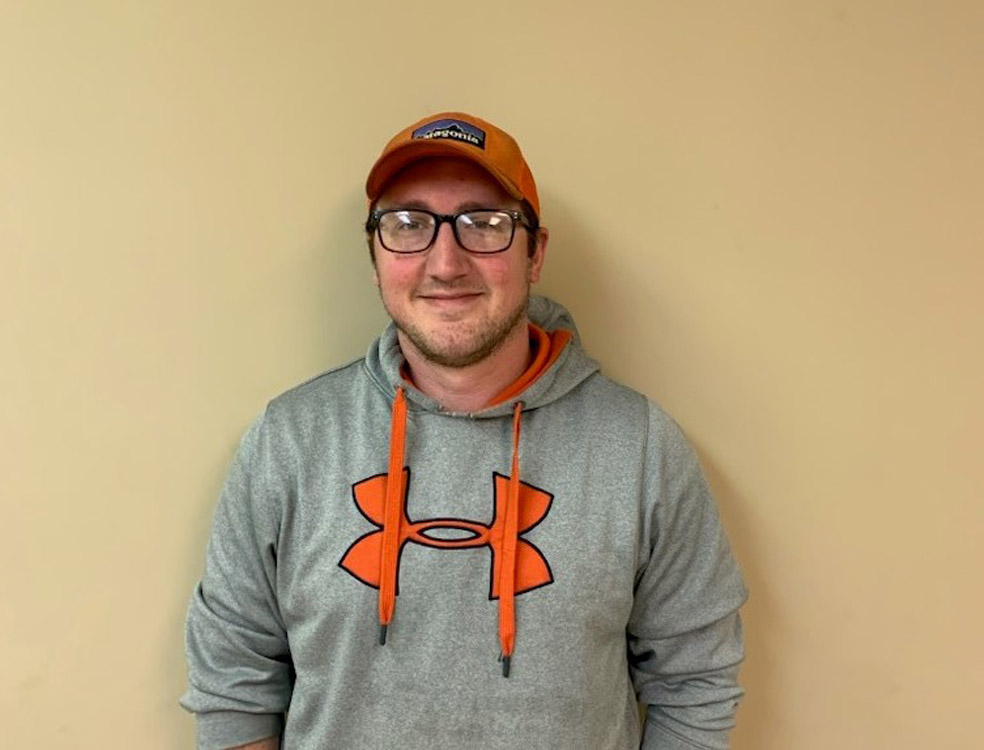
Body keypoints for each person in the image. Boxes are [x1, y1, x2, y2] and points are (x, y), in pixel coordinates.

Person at [181, 112, 747, 750]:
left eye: (484, 223)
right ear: (374, 257)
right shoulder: (288, 441)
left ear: (535, 253)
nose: (445, 264)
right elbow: (233, 683)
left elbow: (695, 684)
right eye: (408, 224)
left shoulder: (642, 449)